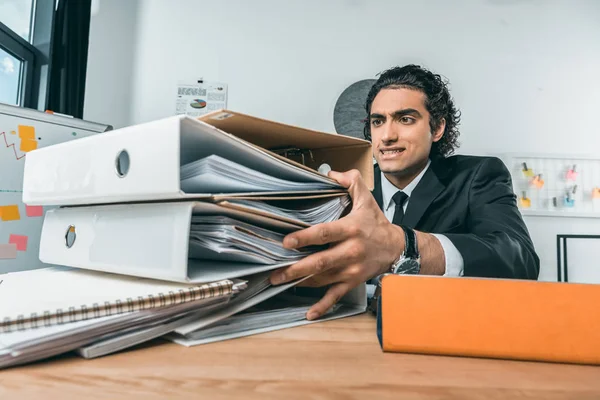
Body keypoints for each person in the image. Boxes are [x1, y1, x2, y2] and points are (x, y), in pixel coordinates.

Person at [270, 64, 540, 320]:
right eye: (378, 122)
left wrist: (404, 244)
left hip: (442, 333)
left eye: (405, 119)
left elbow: (520, 260)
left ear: (437, 128)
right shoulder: (349, 189)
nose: (387, 135)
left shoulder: (477, 175)